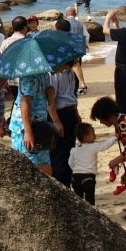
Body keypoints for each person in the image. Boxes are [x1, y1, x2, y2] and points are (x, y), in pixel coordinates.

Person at [9, 64, 61, 174]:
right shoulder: (29, 76)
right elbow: (24, 103)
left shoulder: (45, 74)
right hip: (24, 128)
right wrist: (28, 132)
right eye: (63, 68)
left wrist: (50, 95)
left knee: (46, 168)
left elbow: (48, 103)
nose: (62, 71)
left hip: (40, 127)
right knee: (27, 168)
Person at [48, 35, 80, 187]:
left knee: (70, 151)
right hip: (59, 114)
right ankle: (60, 184)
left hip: (70, 112)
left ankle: (67, 182)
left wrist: (76, 113)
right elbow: (51, 101)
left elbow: (72, 95)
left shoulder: (70, 73)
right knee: (59, 154)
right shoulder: (54, 75)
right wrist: (56, 121)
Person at [68, 123, 118, 206]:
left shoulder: (74, 149)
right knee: (90, 199)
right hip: (88, 177)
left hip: (75, 177)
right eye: (93, 134)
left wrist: (76, 170)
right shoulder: (93, 146)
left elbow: (70, 163)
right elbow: (105, 145)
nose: (95, 136)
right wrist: (115, 137)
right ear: (85, 137)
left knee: (78, 198)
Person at [65, 6, 89, 93]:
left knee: (67, 70)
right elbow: (86, 36)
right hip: (78, 50)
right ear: (75, 14)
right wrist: (85, 44)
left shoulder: (64, 23)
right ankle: (76, 88)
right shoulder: (81, 24)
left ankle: (68, 89)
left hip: (66, 51)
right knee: (77, 68)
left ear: (66, 14)